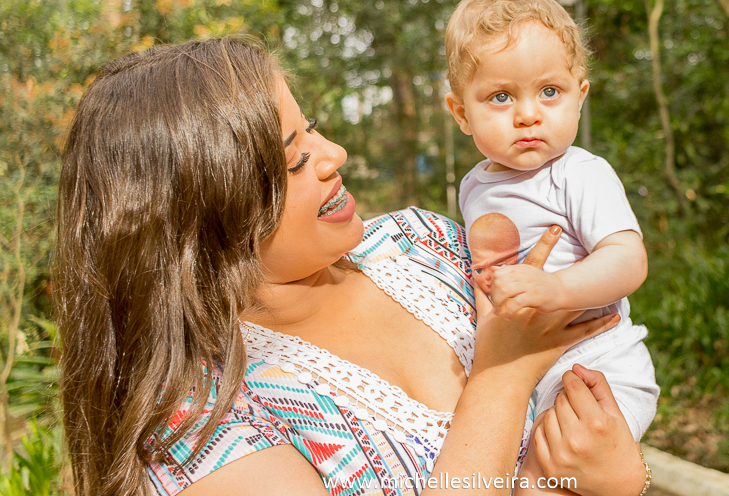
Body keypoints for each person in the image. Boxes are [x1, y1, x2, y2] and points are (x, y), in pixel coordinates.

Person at [54, 36, 651, 496]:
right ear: (202, 215)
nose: (333, 155)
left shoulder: (425, 244)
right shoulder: (198, 426)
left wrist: (623, 477)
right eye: (292, 161)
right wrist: (501, 376)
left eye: (311, 130)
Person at [443, 0, 660, 493]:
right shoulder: (474, 186)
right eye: (500, 96)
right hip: (530, 371)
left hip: (598, 367)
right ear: (460, 112)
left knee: (541, 478)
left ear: (579, 96)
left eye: (549, 91)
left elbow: (628, 258)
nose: (527, 114)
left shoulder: (578, 173)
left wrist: (556, 289)